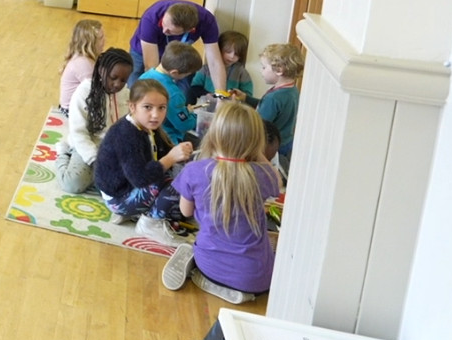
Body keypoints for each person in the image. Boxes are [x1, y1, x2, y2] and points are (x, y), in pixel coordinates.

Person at [162, 102, 283, 304]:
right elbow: (277, 184)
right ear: (257, 142)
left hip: (209, 265)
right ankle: (240, 292)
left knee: (198, 242)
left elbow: (185, 211)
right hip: (258, 279)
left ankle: (202, 276)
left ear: (214, 134)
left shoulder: (195, 170)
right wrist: (255, 150)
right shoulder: (263, 175)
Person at [93, 77, 195, 247]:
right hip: (119, 197)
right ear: (132, 106)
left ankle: (139, 212)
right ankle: (150, 224)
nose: (156, 114)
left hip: (123, 187)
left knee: (180, 178)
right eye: (148, 107)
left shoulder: (144, 125)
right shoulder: (127, 134)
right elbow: (140, 178)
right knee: (181, 185)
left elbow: (160, 154)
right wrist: (171, 158)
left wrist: (180, 156)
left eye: (161, 108)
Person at [55, 48, 132, 194]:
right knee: (73, 184)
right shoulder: (83, 93)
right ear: (101, 70)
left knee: (130, 182)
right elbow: (79, 133)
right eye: (113, 77)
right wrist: (96, 160)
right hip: (88, 146)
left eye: (123, 80)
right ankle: (63, 153)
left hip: (113, 149)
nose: (117, 84)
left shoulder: (126, 94)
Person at [129, 0, 226, 88]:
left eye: (169, 31)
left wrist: (221, 94)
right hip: (143, 51)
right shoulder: (151, 17)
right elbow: (150, 67)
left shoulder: (207, 22)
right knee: (135, 86)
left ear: (191, 30)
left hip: (175, 54)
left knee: (182, 90)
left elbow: (214, 62)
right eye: (163, 24)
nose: (163, 31)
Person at [141, 42, 201, 143]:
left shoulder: (144, 76)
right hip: (167, 140)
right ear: (174, 73)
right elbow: (184, 125)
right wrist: (192, 115)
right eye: (188, 74)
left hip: (144, 133)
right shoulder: (174, 94)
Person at [256, 43, 303, 172]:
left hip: (270, 148)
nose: (261, 71)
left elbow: (257, 125)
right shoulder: (292, 90)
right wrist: (246, 99)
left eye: (264, 67)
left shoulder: (273, 98)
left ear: (279, 70)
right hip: (286, 142)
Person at [190, 30, 254, 100]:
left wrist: (236, 97)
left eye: (236, 54)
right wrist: (206, 94)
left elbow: (248, 95)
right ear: (219, 49)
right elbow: (195, 87)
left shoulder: (241, 72)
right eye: (228, 52)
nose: (232, 56)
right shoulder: (206, 68)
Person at [59, 19, 106, 111]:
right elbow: (95, 91)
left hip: (79, 106)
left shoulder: (86, 58)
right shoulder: (83, 63)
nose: (105, 40)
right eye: (100, 38)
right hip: (71, 110)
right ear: (90, 43)